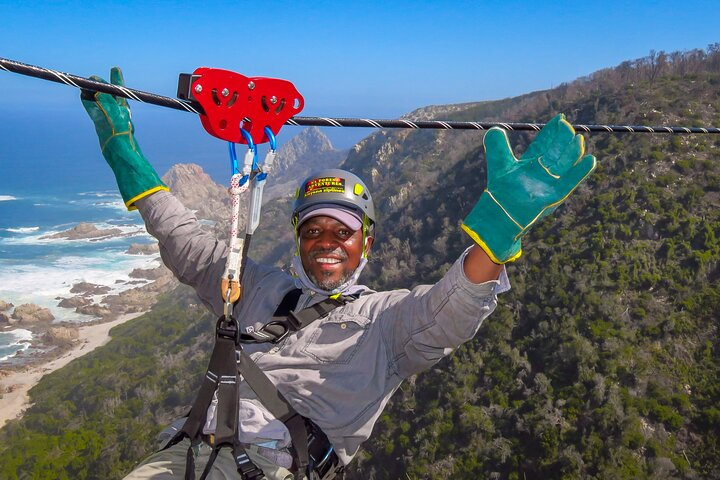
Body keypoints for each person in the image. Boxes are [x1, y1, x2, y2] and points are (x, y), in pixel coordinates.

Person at [81, 68, 596, 480]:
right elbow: (184, 242)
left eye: (342, 232)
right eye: (314, 230)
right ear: (299, 240)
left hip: (277, 466)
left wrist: (495, 235)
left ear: (365, 244)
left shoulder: (386, 321)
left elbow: (451, 310)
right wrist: (123, 153)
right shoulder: (257, 287)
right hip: (188, 454)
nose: (326, 242)